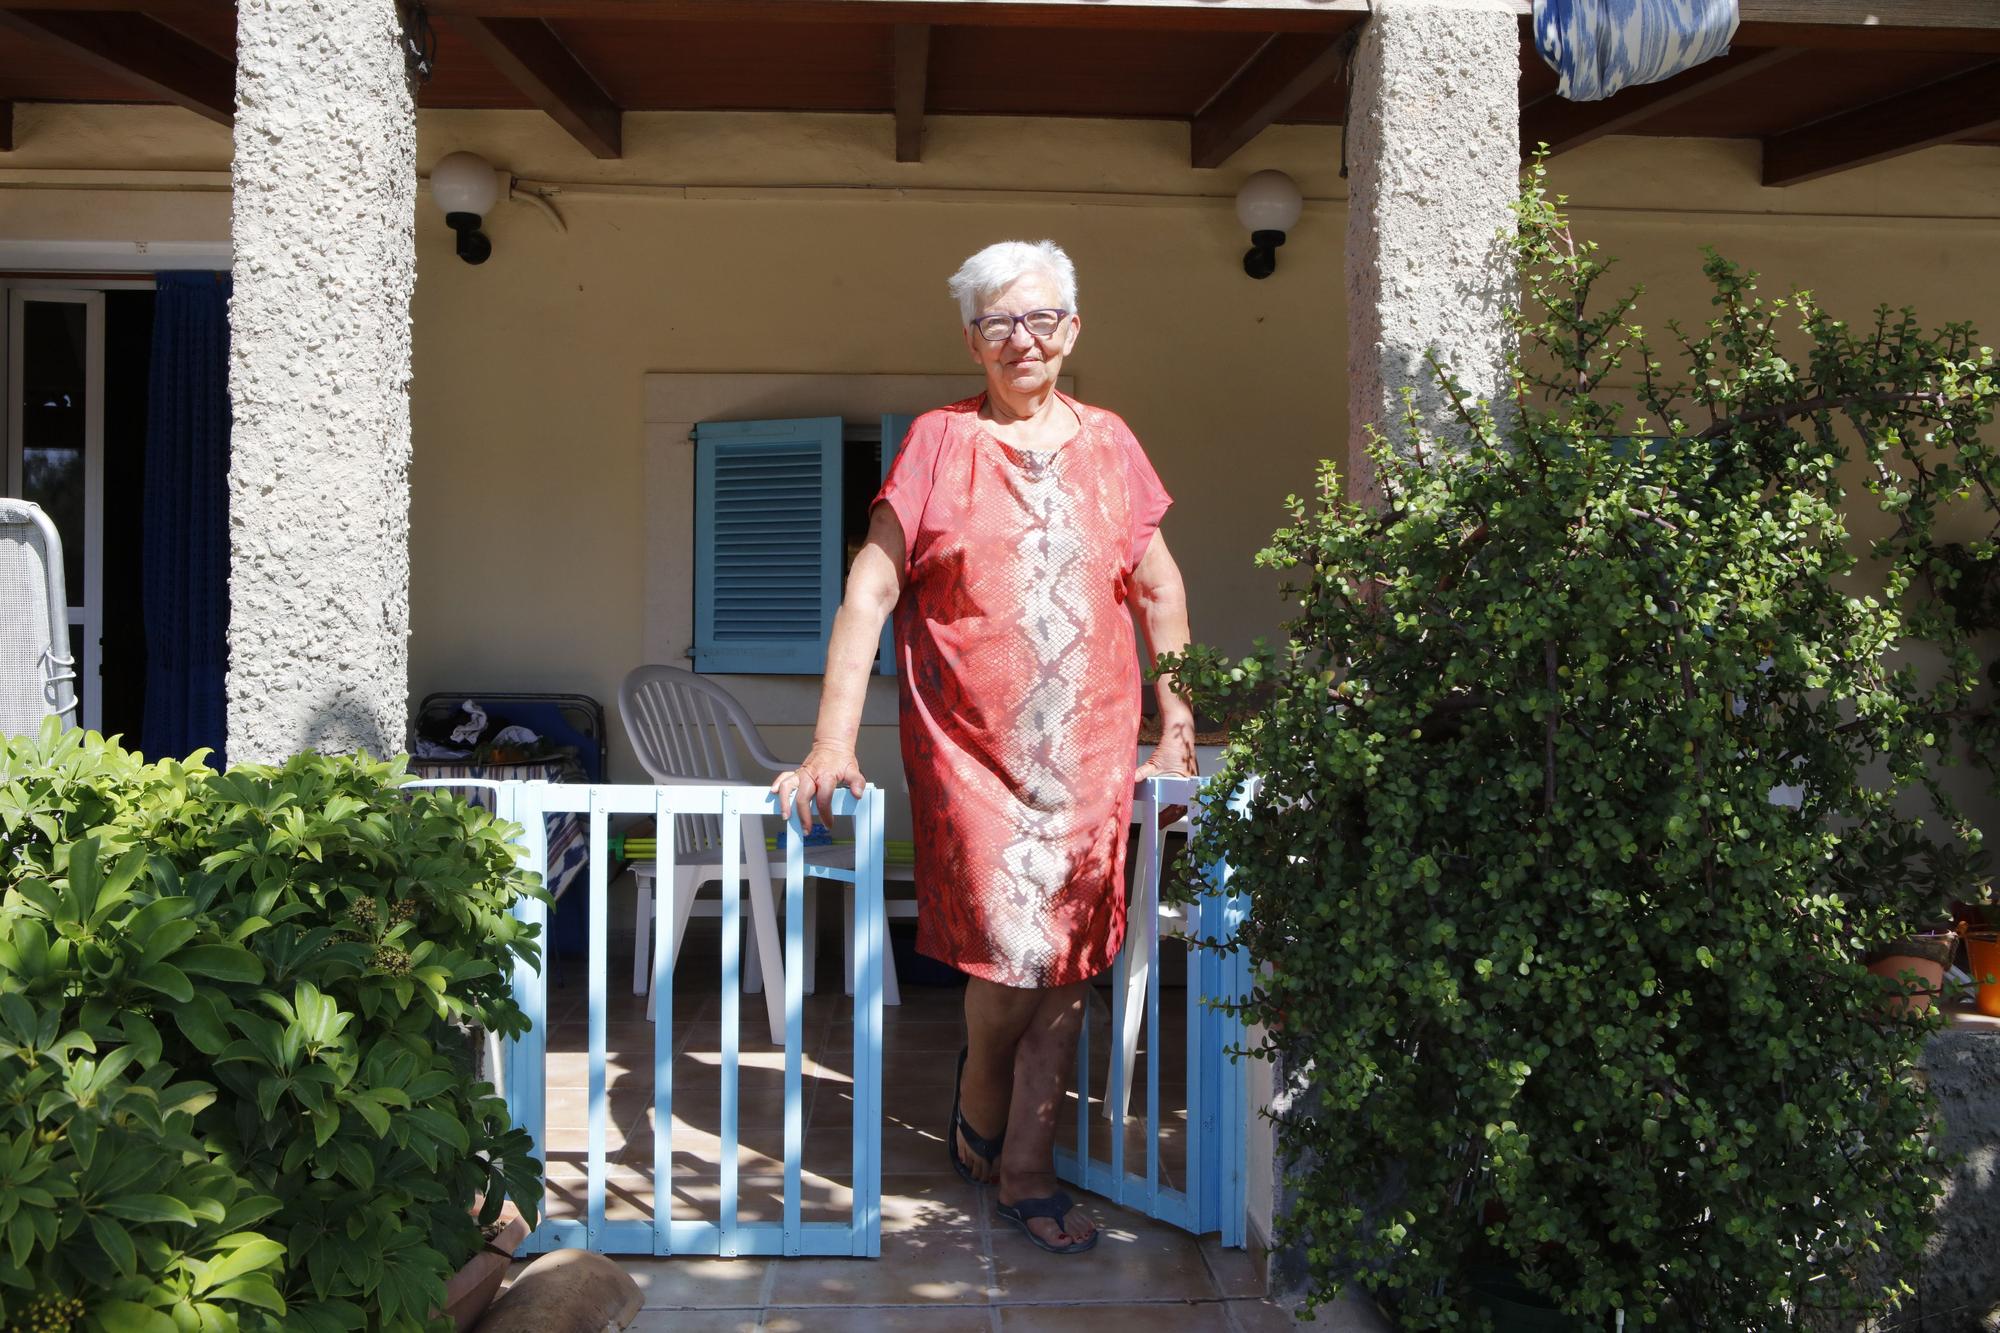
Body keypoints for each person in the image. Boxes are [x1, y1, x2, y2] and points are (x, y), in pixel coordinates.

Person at [773, 239, 1196, 1255]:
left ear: (1072, 331)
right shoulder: (936, 442)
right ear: (972, 339)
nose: (1024, 339)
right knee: (1012, 960)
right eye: (1001, 322)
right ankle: (977, 1091)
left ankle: (1022, 1166)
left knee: (1070, 966)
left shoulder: (1111, 444)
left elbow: (1159, 590)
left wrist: (1176, 725)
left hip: (1093, 751)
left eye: (1043, 318)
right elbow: (871, 588)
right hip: (971, 754)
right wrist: (832, 737)